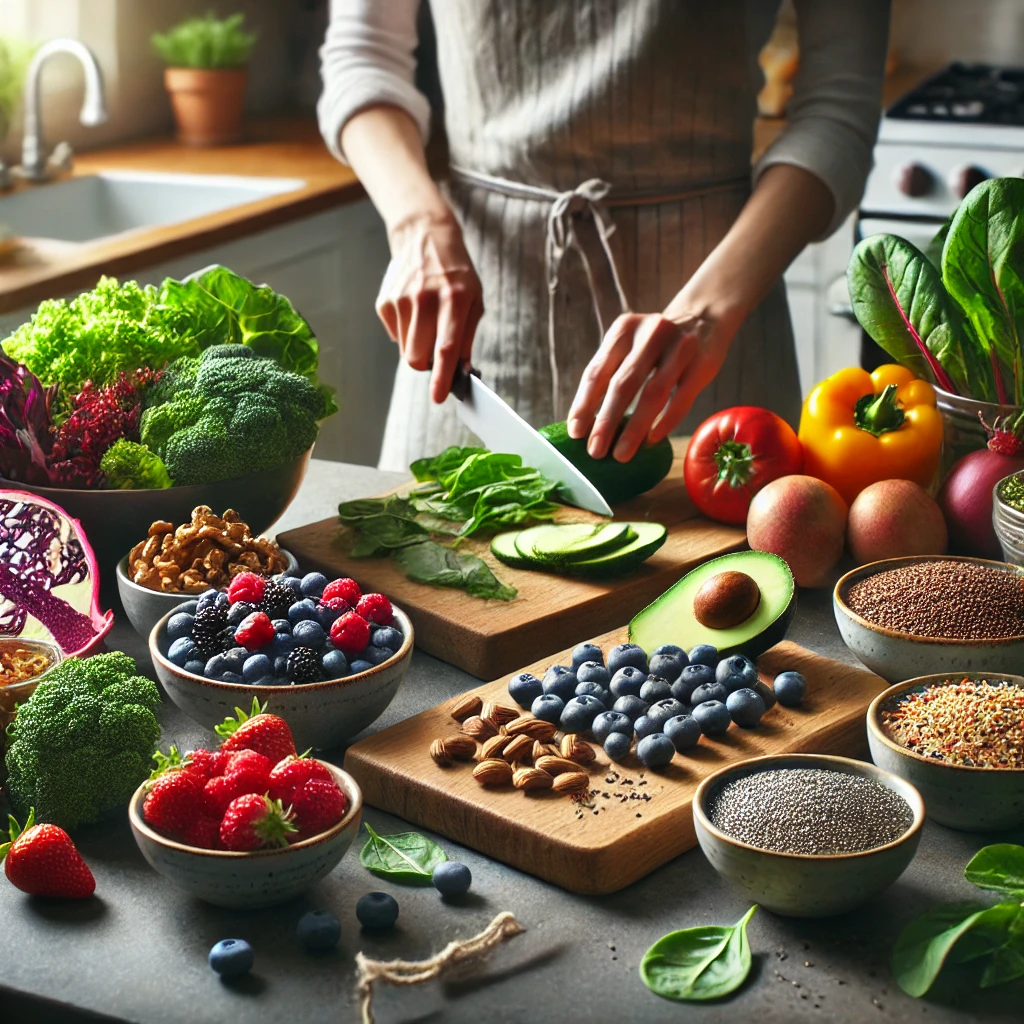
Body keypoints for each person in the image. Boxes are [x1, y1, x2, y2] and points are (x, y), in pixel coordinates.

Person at [319, 1, 890, 471]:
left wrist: (708, 312)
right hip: (474, 326)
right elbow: (362, 57)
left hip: (713, 333)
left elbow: (839, 109)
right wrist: (418, 223)